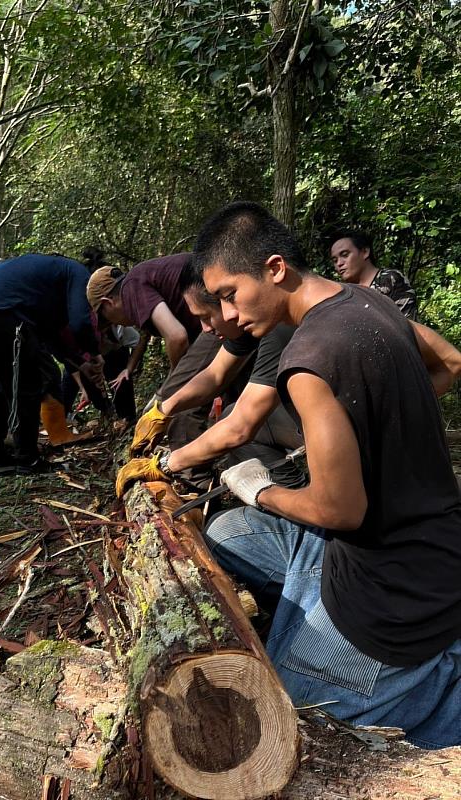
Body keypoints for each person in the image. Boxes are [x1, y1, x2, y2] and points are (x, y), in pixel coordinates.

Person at [179, 201, 460, 748]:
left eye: (231, 295)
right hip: (414, 546)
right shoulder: (368, 301)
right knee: (228, 533)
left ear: (276, 268)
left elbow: (339, 511)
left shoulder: (307, 358)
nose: (229, 317)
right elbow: (450, 361)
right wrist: (373, 426)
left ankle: (432, 683)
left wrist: (260, 490)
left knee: (278, 728)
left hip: (390, 598)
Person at [119, 263, 305, 493]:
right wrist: (163, 410)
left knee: (240, 422)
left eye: (206, 317)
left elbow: (241, 427)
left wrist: (164, 464)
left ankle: (299, 501)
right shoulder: (245, 328)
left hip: (345, 437)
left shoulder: (276, 329)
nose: (205, 328)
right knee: (229, 415)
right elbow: (214, 374)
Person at [0, 253, 105, 475]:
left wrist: (79, 363)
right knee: (29, 385)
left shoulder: (46, 284)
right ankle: (28, 459)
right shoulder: (78, 273)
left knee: (1, 387)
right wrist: (94, 353)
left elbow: (51, 337)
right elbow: (80, 322)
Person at [87, 254, 227, 462]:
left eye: (106, 319)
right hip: (225, 311)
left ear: (108, 302)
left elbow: (176, 337)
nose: (115, 325)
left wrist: (174, 378)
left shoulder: (131, 288)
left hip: (220, 317)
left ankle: (192, 479)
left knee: (179, 400)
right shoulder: (143, 278)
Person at [330, 229, 418, 318]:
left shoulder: (390, 279)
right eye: (335, 260)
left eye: (345, 255)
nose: (339, 263)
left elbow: (407, 324)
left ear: (365, 252)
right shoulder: (343, 293)